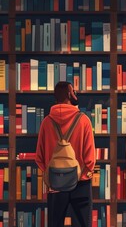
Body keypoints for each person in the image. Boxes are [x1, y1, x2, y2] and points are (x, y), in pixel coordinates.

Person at [36, 81, 95, 227]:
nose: (76, 94)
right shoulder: (83, 121)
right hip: (81, 183)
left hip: (56, 182)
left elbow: (39, 157)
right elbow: (90, 158)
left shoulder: (46, 122)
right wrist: (85, 174)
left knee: (55, 223)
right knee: (82, 223)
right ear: (69, 94)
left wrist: (50, 173)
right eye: (73, 91)